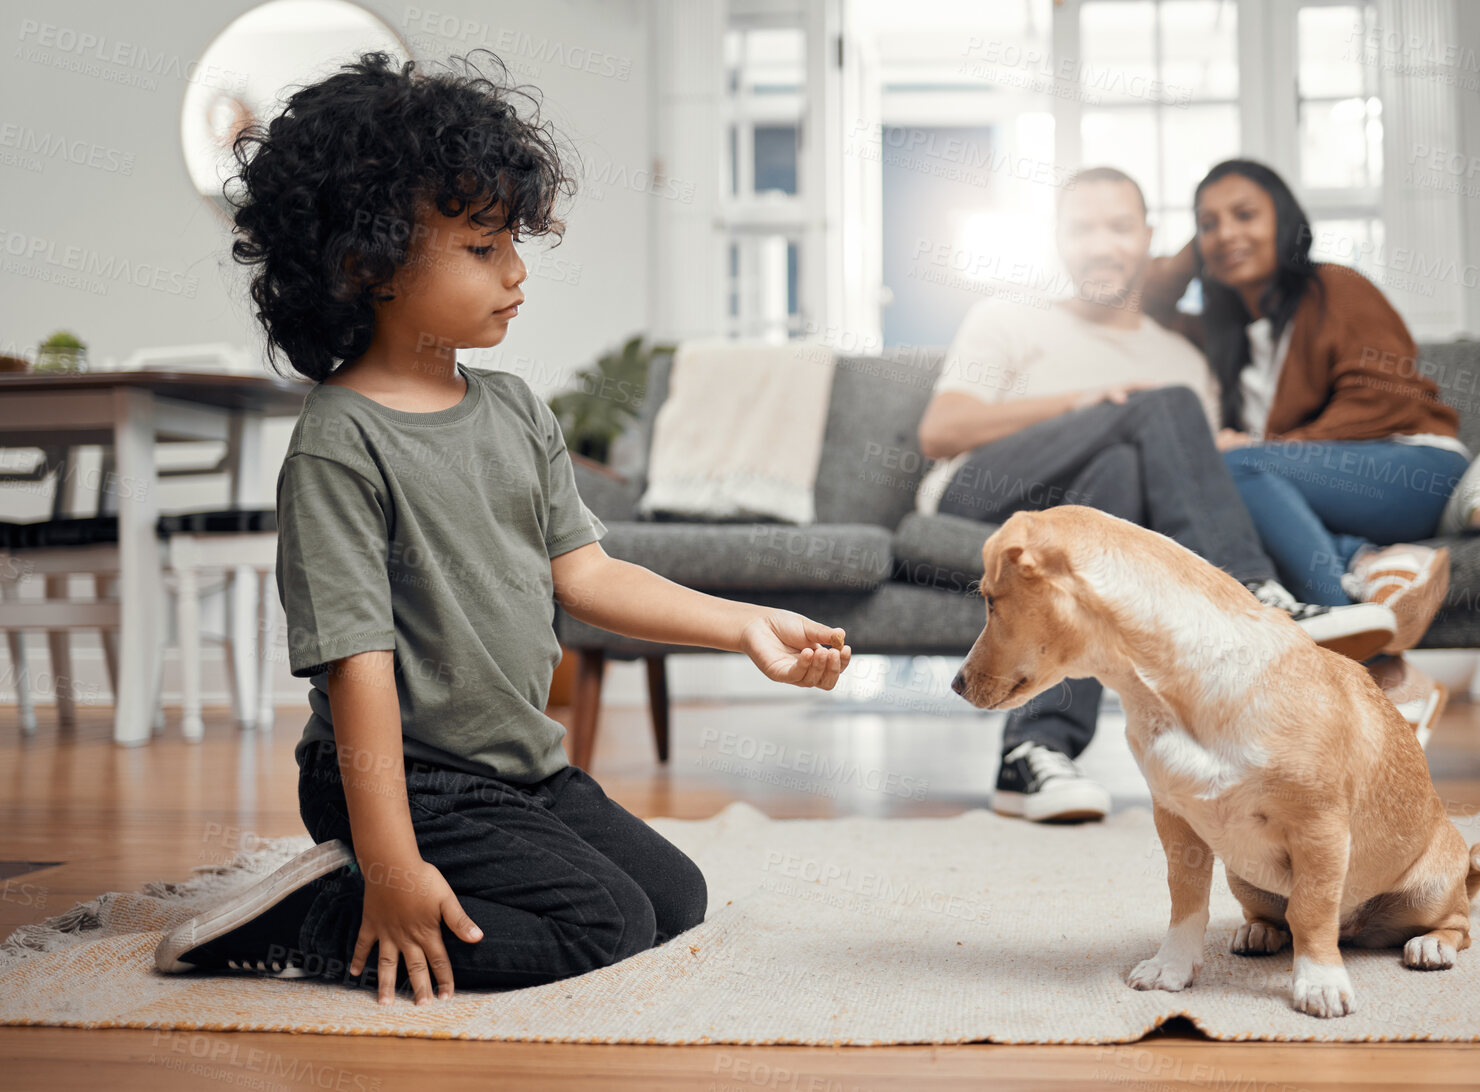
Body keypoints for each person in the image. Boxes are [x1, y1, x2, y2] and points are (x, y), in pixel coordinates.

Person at [154, 52, 853, 1005]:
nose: (518, 272)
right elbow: (356, 667)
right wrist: (396, 865)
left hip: (520, 765)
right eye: (482, 250)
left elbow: (590, 574)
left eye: (512, 242)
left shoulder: (516, 409)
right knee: (604, 925)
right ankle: (320, 917)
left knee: (672, 898)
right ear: (366, 261)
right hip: (412, 776)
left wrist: (743, 623)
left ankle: (375, 887)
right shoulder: (339, 443)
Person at [914, 166, 1398, 825]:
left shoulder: (1182, 357)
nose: (1099, 244)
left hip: (1083, 532)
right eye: (1080, 229)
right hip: (984, 503)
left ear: (1147, 239)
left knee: (1114, 475)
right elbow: (941, 432)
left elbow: (1189, 483)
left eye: (1117, 227)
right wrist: (1083, 404)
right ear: (1058, 241)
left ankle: (1033, 752)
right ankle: (1255, 593)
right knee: (1151, 410)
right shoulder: (1005, 318)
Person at [1142, 158, 1467, 746]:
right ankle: (1370, 570)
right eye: (1208, 224)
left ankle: (1365, 659)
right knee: (1226, 494)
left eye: (1246, 215)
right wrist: (1207, 246)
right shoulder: (1225, 332)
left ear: (1285, 220)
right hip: (1318, 491)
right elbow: (1146, 304)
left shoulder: (1337, 287)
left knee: (1233, 467)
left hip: (1414, 466)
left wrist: (1269, 450)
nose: (1226, 234)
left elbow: (1384, 399)